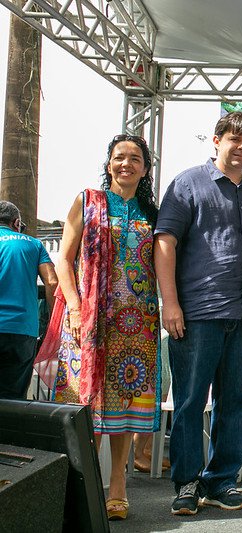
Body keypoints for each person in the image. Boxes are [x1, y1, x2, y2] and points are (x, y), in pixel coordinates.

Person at [155, 112, 242, 516]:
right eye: (234, 139)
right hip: (197, 312)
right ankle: (187, 482)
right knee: (190, 401)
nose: (241, 147)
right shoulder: (187, 183)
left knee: (236, 400)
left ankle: (222, 481)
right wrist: (169, 303)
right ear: (216, 140)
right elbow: (165, 243)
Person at [42, 135, 161, 521]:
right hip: (88, 322)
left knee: (125, 404)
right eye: (119, 157)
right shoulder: (87, 201)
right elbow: (63, 260)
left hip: (136, 321)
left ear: (145, 168)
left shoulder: (151, 211)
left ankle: (118, 486)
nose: (126, 164)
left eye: (135, 159)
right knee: (86, 404)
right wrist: (75, 309)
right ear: (108, 163)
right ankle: (84, 486)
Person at [0, 201, 56, 399]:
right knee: (13, 400)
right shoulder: (33, 244)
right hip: (22, 331)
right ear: (17, 223)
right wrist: (52, 322)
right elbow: (51, 282)